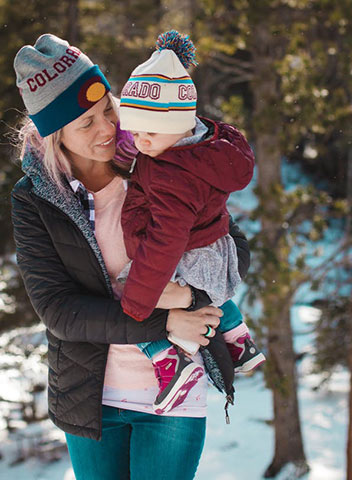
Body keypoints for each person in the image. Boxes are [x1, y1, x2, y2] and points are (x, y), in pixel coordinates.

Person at [11, 33, 250, 480]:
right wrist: (164, 321)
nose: (107, 129)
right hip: (91, 398)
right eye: (85, 124)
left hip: (175, 397)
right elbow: (60, 312)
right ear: (54, 134)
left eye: (107, 110)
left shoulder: (158, 155)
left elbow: (232, 247)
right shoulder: (35, 200)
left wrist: (192, 295)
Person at [117, 30, 265, 414]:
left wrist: (138, 300)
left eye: (149, 131)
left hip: (190, 258)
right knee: (201, 286)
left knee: (127, 289)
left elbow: (166, 240)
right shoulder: (205, 146)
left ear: (179, 122)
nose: (140, 141)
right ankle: (236, 337)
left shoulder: (171, 174)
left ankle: (171, 361)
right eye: (134, 131)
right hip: (216, 253)